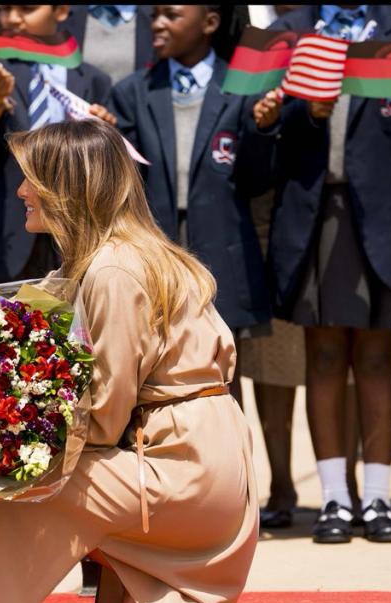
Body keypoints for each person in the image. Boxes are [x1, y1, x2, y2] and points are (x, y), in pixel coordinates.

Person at [0, 118, 276, 603]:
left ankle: (127, 601)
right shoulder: (117, 255)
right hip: (200, 459)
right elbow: (23, 315)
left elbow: (108, 415)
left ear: (67, 186)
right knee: (5, 458)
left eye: (32, 178)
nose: (21, 191)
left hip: (180, 469)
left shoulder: (112, 268)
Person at [267, 4, 391, 544]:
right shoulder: (288, 33)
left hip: (385, 215)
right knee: (324, 355)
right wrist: (307, 112)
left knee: (376, 354)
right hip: (317, 213)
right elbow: (264, 127)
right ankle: (336, 500)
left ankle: (381, 499)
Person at [108, 5, 278, 404]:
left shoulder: (242, 88)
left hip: (223, 250)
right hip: (157, 250)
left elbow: (257, 180)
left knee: (223, 375)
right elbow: (129, 183)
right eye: (154, 16)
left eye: (171, 15)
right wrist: (111, 139)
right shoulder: (132, 92)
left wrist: (264, 129)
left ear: (210, 23)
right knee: (156, 368)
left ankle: (229, 463)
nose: (158, 24)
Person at [0, 4, 114, 284]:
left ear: (60, 12)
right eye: (3, 9)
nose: (12, 18)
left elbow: (104, 164)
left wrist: (104, 130)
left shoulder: (94, 79)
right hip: (3, 235)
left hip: (72, 234)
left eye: (26, 9)